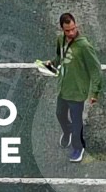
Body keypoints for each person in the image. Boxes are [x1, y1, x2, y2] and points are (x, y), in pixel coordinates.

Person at [43, 13, 102, 162]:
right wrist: (51, 64)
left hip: (77, 91)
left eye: (73, 29)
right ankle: (67, 131)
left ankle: (78, 147)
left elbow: (95, 69)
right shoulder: (60, 40)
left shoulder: (84, 46)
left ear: (76, 26)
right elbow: (60, 57)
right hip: (63, 87)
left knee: (77, 122)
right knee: (60, 114)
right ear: (62, 29)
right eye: (67, 30)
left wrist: (95, 92)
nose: (71, 33)